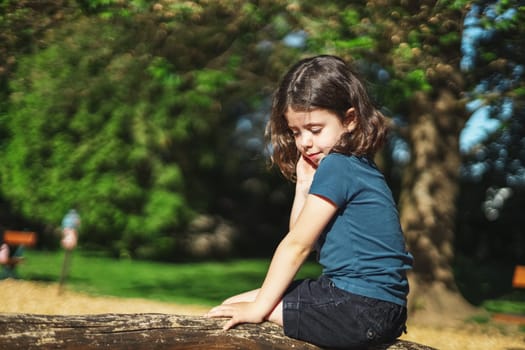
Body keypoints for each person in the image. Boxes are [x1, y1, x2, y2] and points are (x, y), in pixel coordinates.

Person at [206, 55, 413, 348]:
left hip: (357, 308)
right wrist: (303, 183)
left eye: (315, 130)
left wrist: (259, 309)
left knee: (235, 314)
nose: (304, 142)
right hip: (372, 306)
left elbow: (297, 246)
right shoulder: (358, 165)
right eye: (295, 132)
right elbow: (304, 234)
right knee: (234, 303)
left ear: (350, 119)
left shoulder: (338, 166)